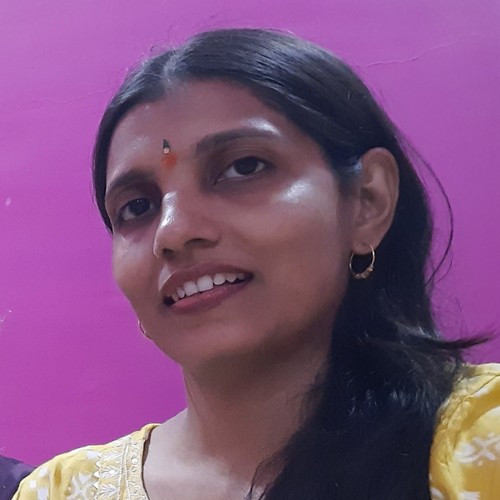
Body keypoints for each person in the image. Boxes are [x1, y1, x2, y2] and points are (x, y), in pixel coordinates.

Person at [14, 28, 500, 499]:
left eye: (243, 167)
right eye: (137, 207)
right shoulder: (59, 491)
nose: (173, 232)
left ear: (367, 202)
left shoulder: (483, 440)